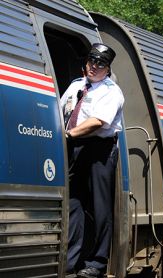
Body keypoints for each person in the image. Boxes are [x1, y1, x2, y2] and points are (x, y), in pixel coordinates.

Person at [60, 43, 124, 278]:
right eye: (91, 61)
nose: (94, 66)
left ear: (107, 69)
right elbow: (63, 110)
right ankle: (68, 260)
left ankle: (97, 264)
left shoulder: (111, 91)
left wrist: (68, 134)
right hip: (75, 146)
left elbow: (98, 121)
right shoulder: (77, 86)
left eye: (100, 64)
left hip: (100, 149)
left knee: (100, 207)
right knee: (74, 203)